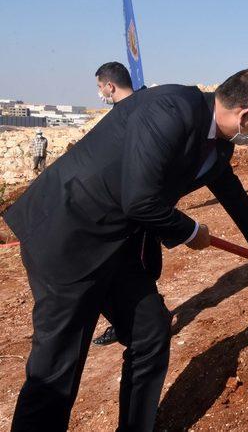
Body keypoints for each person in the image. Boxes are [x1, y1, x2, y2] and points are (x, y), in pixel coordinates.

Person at [4, 69, 248, 431]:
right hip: (69, 233)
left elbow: (231, 193)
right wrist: (191, 231)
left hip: (115, 241)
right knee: (58, 365)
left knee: (150, 334)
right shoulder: (171, 110)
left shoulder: (218, 142)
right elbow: (139, 200)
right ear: (246, 115)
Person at [92, 62, 139, 346]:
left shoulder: (135, 113)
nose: (99, 92)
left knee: (133, 268)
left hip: (129, 207)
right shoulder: (123, 112)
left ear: (110, 86)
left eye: (99, 87)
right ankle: (127, 322)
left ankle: (141, 321)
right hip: (120, 204)